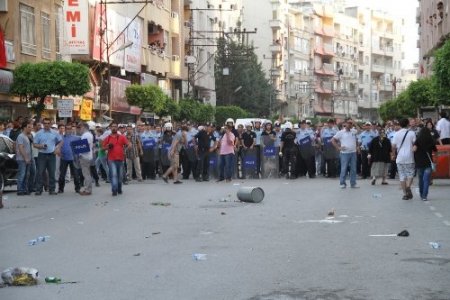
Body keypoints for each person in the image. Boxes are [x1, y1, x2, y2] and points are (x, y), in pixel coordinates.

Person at [33, 118, 63, 196]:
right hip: (42, 154)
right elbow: (34, 144)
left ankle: (52, 189)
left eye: (48, 123)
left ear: (50, 124)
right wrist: (41, 146)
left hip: (51, 154)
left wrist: (58, 148)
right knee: (40, 172)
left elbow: (61, 141)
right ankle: (39, 190)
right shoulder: (39, 133)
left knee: (52, 173)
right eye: (45, 123)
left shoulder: (54, 132)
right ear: (43, 124)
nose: (46, 125)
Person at [102, 122, 131, 196]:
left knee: (120, 176)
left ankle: (119, 188)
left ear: (117, 128)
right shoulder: (107, 138)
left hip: (120, 159)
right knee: (114, 174)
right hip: (111, 159)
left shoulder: (122, 137)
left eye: (115, 126)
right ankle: (114, 190)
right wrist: (107, 147)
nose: (114, 128)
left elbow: (129, 145)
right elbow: (102, 148)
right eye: (112, 127)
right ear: (110, 128)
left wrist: (125, 150)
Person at [392, 118, 416, 200]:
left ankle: (405, 194)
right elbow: (415, 144)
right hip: (409, 157)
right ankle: (408, 186)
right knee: (410, 173)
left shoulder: (396, 134)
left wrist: (393, 154)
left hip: (400, 158)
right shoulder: (412, 133)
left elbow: (393, 146)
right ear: (407, 124)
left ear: (400, 124)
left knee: (402, 176)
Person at [331, 119, 359, 189]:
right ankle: (342, 183)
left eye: (351, 123)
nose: (350, 124)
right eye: (348, 123)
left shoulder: (353, 131)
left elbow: (359, 130)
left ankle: (353, 183)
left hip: (353, 152)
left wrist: (355, 123)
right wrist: (338, 148)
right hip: (344, 153)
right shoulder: (341, 132)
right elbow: (333, 140)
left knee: (353, 169)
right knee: (344, 168)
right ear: (345, 124)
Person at [414, 126, 437, 201]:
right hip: (428, 163)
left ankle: (421, 194)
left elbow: (414, 149)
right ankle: (424, 195)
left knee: (421, 179)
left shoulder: (418, 140)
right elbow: (435, 151)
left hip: (419, 162)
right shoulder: (431, 140)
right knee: (426, 180)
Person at [58, 123, 81, 194]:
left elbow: (84, 141)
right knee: (62, 175)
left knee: (76, 175)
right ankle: (61, 189)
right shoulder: (60, 137)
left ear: (71, 129)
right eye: (67, 128)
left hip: (73, 159)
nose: (68, 130)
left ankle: (77, 189)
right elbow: (56, 145)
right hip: (63, 158)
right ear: (65, 129)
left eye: (69, 128)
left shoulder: (76, 137)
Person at [15, 121, 35, 195]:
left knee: (26, 175)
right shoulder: (21, 136)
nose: (30, 129)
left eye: (31, 127)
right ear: (24, 128)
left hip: (28, 159)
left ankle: (24, 189)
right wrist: (26, 158)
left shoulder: (27, 136)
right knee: (22, 174)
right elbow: (21, 148)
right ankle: (20, 190)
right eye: (29, 127)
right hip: (22, 159)